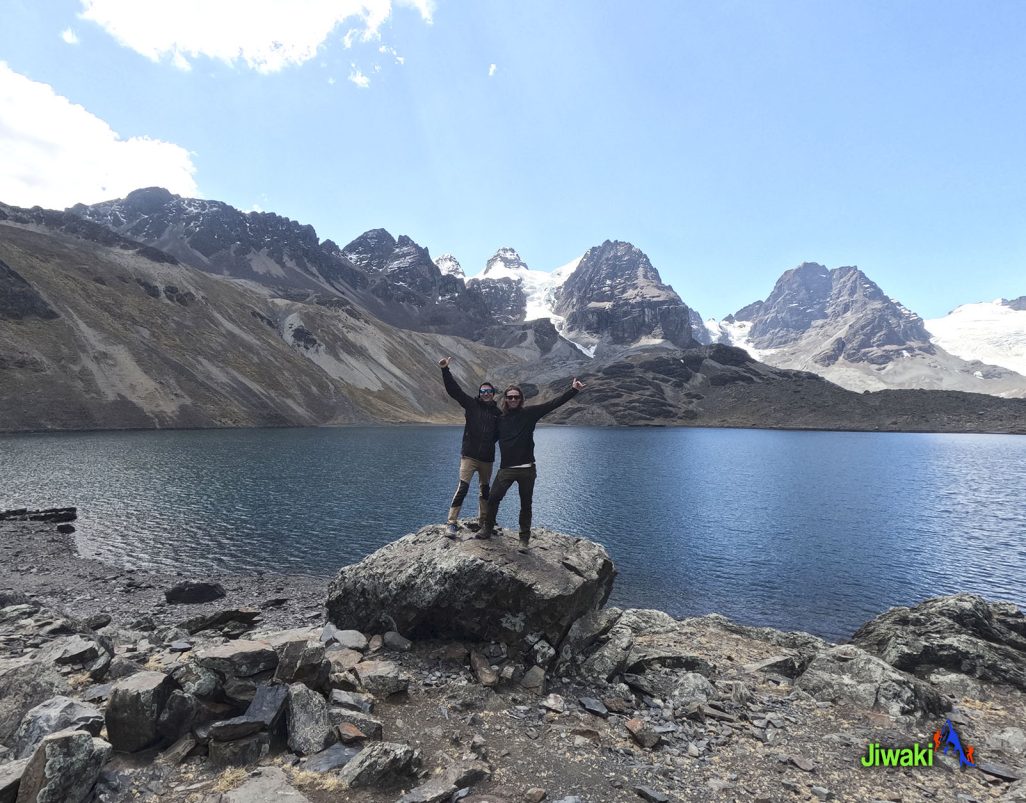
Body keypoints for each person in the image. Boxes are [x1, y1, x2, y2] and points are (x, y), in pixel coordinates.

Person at [478, 377, 586, 550]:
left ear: (521, 399)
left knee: (525, 505)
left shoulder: (529, 414)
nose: (513, 400)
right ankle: (487, 528)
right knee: (493, 499)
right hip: (506, 469)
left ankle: (524, 540)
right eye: (510, 397)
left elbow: (553, 404)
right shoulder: (500, 420)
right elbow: (487, 437)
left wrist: (574, 390)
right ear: (505, 399)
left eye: (516, 397)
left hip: (527, 469)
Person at [438, 356, 501, 537]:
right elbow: (454, 391)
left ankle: (483, 522)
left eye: (489, 391)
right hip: (469, 456)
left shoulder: (498, 413)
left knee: (485, 491)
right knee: (463, 487)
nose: (486, 393)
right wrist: (445, 370)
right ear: (480, 392)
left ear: (493, 393)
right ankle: (451, 523)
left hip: (487, 459)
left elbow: (500, 434)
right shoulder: (471, 405)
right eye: (483, 390)